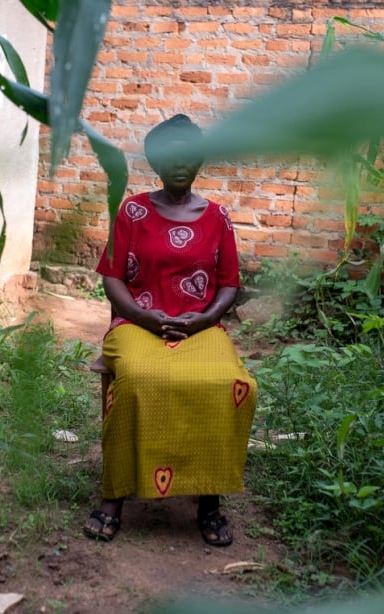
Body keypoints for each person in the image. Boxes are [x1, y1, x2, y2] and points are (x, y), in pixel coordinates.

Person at [82, 114, 257, 547]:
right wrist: (145, 318)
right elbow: (112, 277)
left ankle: (209, 501)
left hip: (199, 327)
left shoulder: (217, 217)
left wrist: (204, 319)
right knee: (139, 380)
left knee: (229, 383)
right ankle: (114, 496)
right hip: (137, 323)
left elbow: (229, 283)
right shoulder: (133, 211)